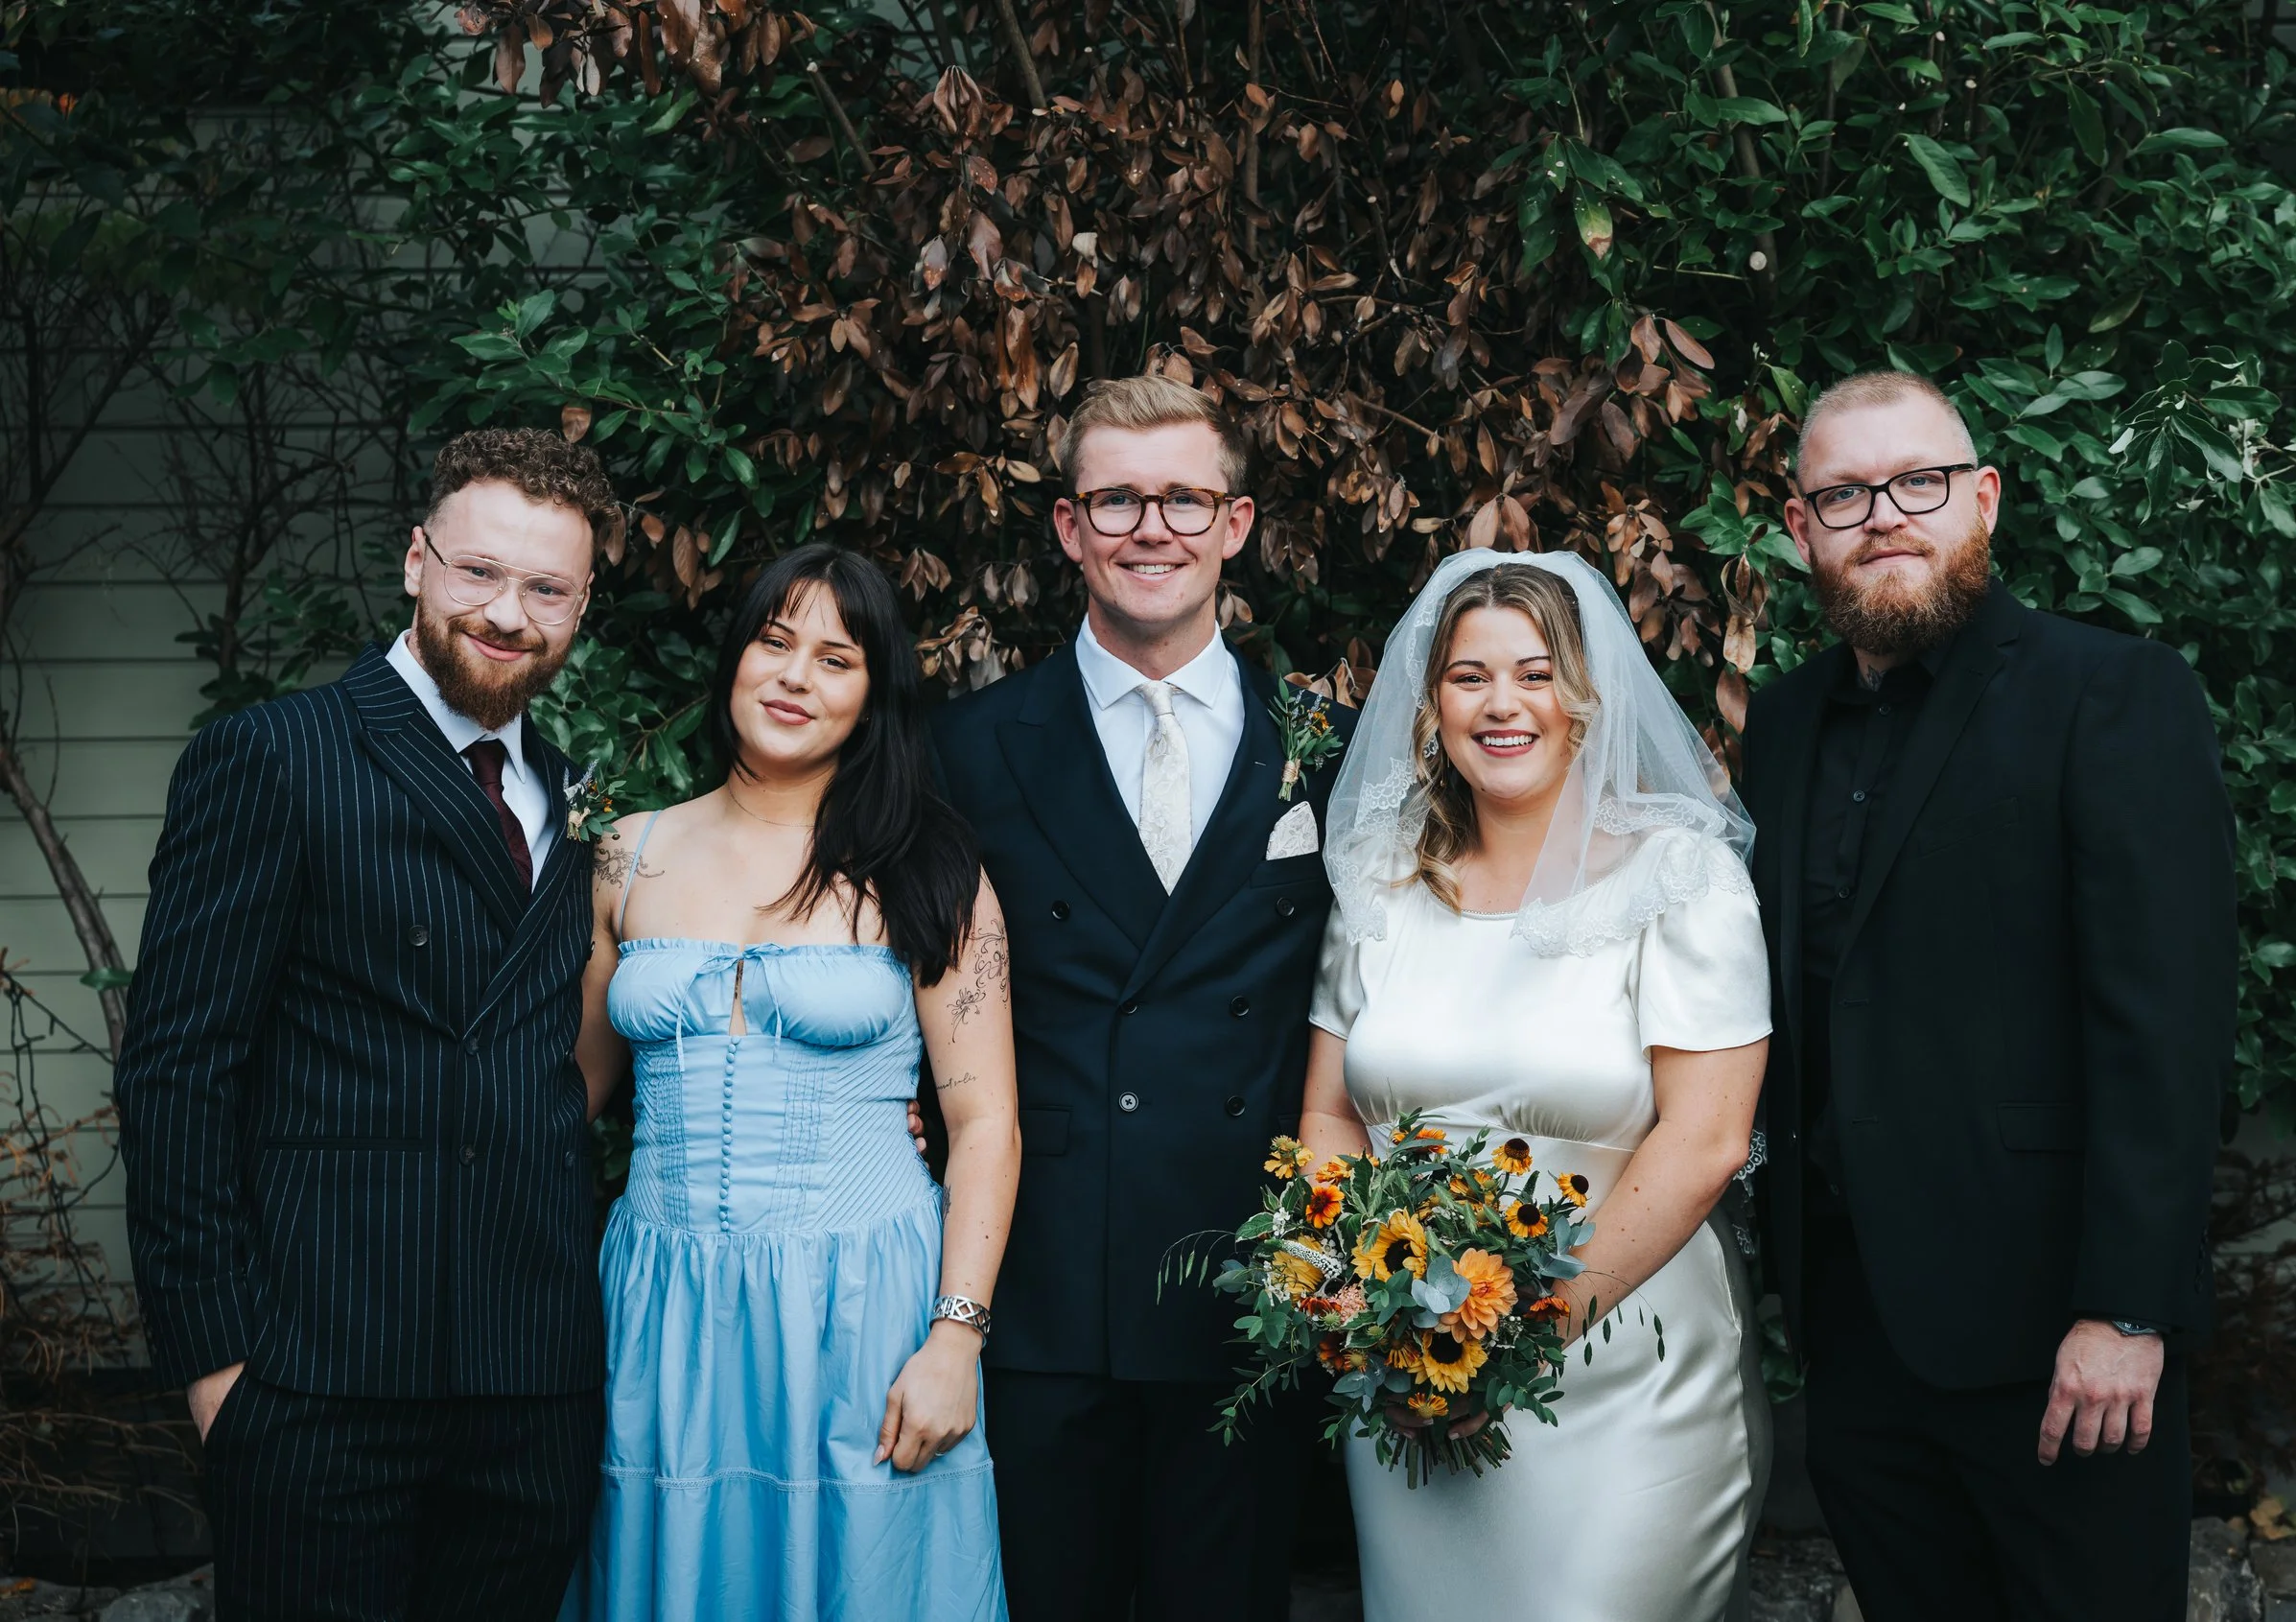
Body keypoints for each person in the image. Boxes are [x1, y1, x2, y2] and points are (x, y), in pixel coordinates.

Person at [1743, 370, 2237, 1619]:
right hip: (1857, 1338)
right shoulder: (1783, 724)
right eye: (1845, 493)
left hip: (2060, 1338)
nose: (1885, 515)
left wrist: (2127, 1304)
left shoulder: (2110, 692)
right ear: (1799, 528)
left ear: (1985, 501)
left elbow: (2165, 1028)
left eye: (1919, 482)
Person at [117, 428, 617, 1620]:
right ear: (414, 560)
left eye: (546, 587)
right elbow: (177, 1070)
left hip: (526, 1386)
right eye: (477, 571)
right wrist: (217, 1365)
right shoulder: (277, 756)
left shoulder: (572, 791)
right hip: (319, 1377)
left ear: (583, 602)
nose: (507, 612)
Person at [929, 374, 1349, 1622]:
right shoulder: (969, 743)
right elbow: (916, 975)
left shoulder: (1330, 736)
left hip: (1245, 1275)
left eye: (1182, 497)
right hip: (1044, 1276)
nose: (1149, 526)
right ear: (1069, 527)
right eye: (1116, 498)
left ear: (1236, 522)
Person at [1300, 552, 1773, 1621]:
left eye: (1534, 671)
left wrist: (1504, 1338)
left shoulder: (1679, 876)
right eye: (1469, 677)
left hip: (1625, 1372)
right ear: (1430, 705)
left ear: (1586, 696)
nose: (1502, 703)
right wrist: (1366, 1313)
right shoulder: (1379, 876)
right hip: (1406, 1379)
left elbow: (1703, 1142)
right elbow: (1329, 1114)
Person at [562, 545, 1018, 1620]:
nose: (793, 676)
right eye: (773, 641)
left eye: (834, 657)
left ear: (873, 695)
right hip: (659, 1304)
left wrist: (956, 1335)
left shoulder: (928, 871)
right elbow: (565, 1099)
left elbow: (987, 1119)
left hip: (862, 1302)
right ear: (733, 661)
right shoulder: (625, 856)